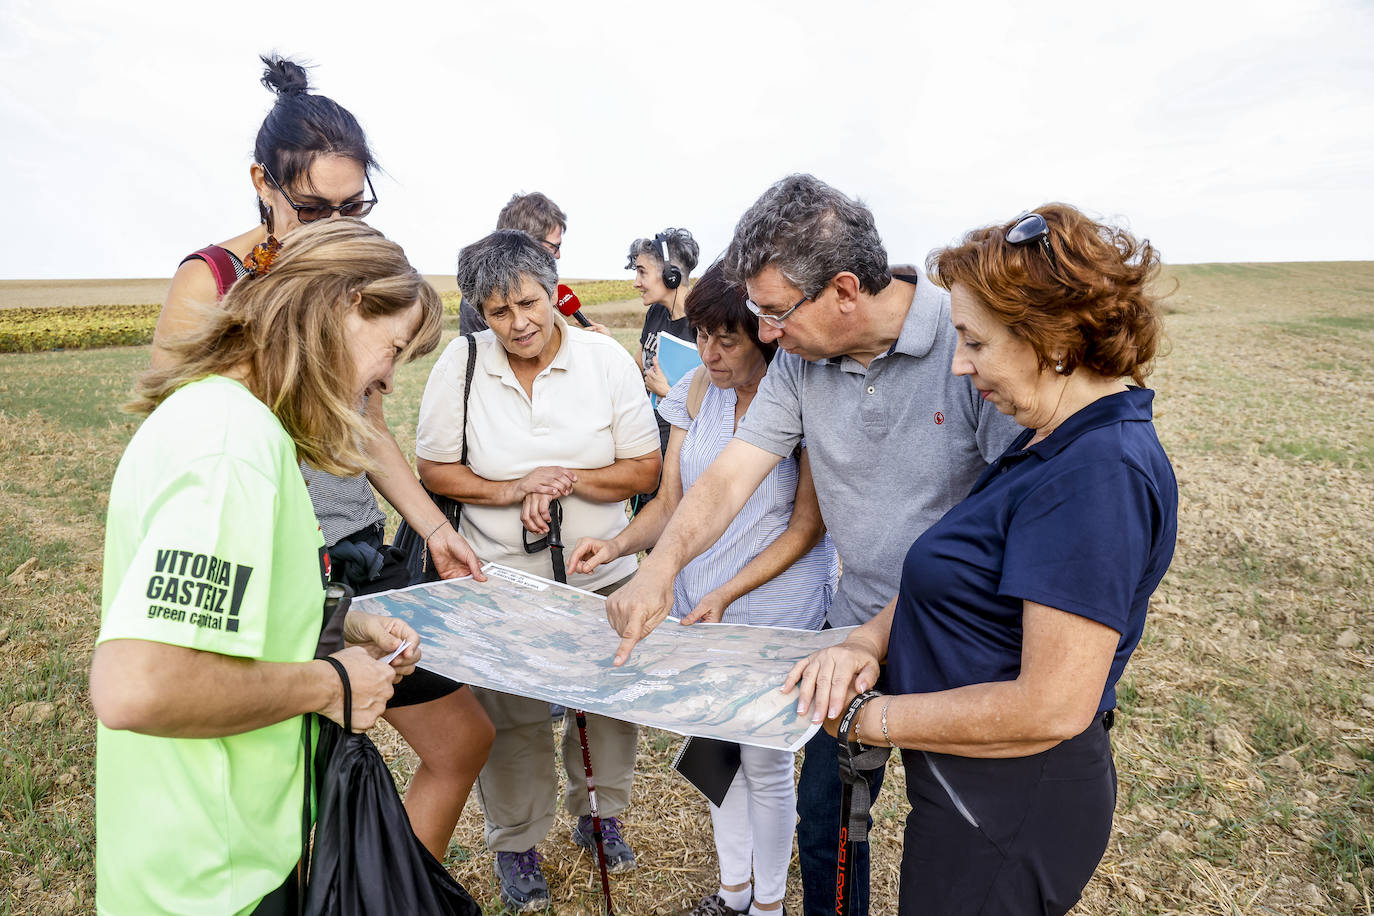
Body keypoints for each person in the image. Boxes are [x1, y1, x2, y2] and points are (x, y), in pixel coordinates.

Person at [604, 174, 1022, 916]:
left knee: (963, 840)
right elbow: (732, 474)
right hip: (848, 632)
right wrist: (660, 567)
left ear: (844, 290)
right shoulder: (799, 363)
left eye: (773, 312)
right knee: (828, 828)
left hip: (962, 638)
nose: (765, 334)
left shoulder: (967, 346)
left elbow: (1009, 516)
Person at [784, 204, 1178, 915]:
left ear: (1050, 339)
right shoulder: (1048, 440)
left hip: (1011, 812)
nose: (961, 365)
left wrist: (871, 721)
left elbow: (1051, 704)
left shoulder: (1096, 475)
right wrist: (868, 643)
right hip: (974, 793)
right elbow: (957, 572)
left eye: (976, 342)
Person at [149, 55, 494, 861]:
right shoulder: (213, 281)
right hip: (274, 564)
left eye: (355, 206)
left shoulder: (355, 266)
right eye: (314, 208)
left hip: (357, 549)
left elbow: (366, 417)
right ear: (262, 184)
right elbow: (184, 441)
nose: (340, 227)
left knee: (460, 740)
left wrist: (428, 527)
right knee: (294, 778)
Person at [92, 220, 441, 914]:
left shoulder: (225, 418)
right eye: (393, 348)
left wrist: (343, 623)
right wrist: (329, 682)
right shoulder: (231, 447)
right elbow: (139, 685)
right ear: (342, 305)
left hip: (206, 854)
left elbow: (226, 618)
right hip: (212, 880)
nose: (388, 381)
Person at [569, 263, 838, 916]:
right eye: (701, 335)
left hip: (775, 609)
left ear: (764, 336)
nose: (710, 353)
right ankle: (733, 892)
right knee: (719, 752)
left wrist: (729, 592)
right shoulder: (692, 392)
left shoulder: (800, 397)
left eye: (727, 340)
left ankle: (768, 906)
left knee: (766, 762)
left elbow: (806, 529)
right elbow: (670, 503)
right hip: (699, 608)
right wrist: (620, 545)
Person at [415, 229, 662, 911]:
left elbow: (645, 470)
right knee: (512, 716)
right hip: (499, 581)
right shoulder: (460, 365)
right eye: (499, 311)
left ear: (554, 289)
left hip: (603, 578)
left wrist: (563, 482)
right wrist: (510, 488)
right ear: (479, 314)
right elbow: (434, 469)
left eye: (531, 301)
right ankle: (517, 844)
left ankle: (600, 815)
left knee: (606, 707)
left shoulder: (603, 359)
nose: (520, 323)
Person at [460, 192, 612, 335]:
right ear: (526, 244)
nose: (558, 255)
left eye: (528, 304)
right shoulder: (481, 293)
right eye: (554, 247)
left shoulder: (540, 285)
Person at [626, 227, 700, 511]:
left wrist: (668, 392)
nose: (636, 282)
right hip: (652, 438)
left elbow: (724, 402)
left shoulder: (704, 324)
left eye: (642, 272)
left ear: (671, 274)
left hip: (683, 452)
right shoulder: (656, 313)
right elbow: (637, 366)